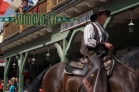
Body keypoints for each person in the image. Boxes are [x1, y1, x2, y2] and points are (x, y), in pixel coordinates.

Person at [80, 7, 113, 92]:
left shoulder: (104, 30)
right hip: (91, 54)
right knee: (99, 67)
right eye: (105, 14)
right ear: (98, 15)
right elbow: (88, 41)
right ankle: (86, 81)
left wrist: (108, 47)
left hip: (102, 55)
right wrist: (104, 44)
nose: (106, 16)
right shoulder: (90, 26)